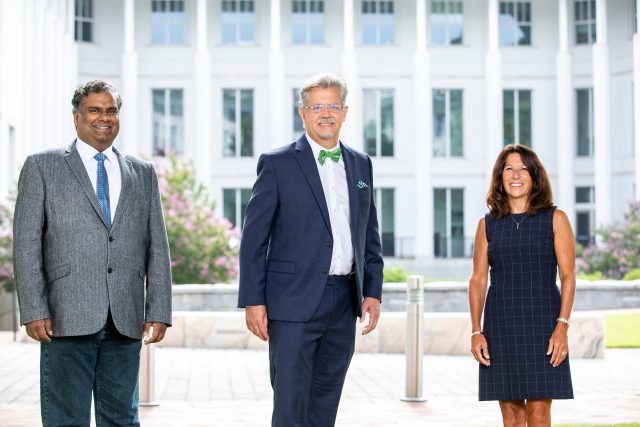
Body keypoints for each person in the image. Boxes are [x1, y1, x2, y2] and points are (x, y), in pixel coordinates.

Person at [13, 80, 172, 426]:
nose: (104, 118)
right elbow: (26, 244)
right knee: (65, 418)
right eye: (95, 110)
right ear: (77, 117)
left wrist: (158, 309)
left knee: (123, 418)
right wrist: (33, 308)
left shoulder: (142, 173)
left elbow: (157, 246)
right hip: (63, 316)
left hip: (125, 318)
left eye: (111, 110)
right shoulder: (42, 166)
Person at [238, 72, 384, 426]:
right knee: (291, 405)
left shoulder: (361, 164)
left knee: (325, 402)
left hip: (343, 299)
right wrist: (253, 300)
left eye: (333, 105)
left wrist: (373, 292)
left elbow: (369, 233)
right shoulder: (278, 163)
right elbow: (254, 239)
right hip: (292, 302)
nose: (326, 113)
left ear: (345, 112)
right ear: (302, 113)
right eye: (316, 106)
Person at [468, 144, 575, 426]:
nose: (516, 175)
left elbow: (568, 276)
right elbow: (478, 280)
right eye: (509, 169)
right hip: (501, 326)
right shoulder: (487, 225)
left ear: (535, 176)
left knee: (539, 414)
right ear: (500, 177)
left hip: (543, 325)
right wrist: (476, 331)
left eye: (524, 169)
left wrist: (562, 326)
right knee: (511, 416)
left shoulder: (555, 219)